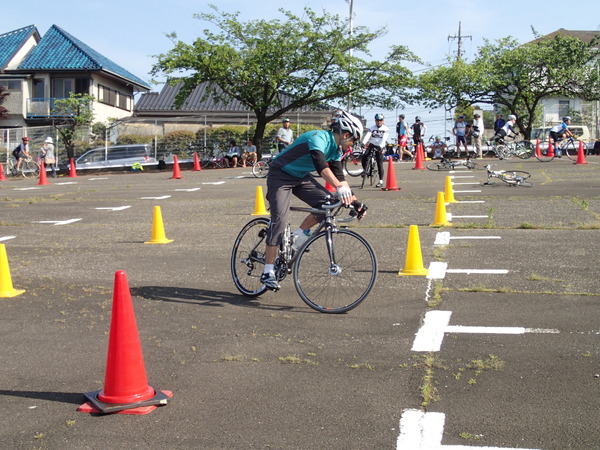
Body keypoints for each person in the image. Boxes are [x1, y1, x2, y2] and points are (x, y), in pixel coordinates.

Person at [261, 110, 367, 290]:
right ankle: (267, 270)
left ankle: (298, 236)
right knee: (280, 220)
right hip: (280, 175)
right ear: (346, 134)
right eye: (353, 140)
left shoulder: (334, 150)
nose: (352, 144)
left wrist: (356, 202)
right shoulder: (318, 137)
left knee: (328, 203)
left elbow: (339, 177)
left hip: (300, 177)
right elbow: (321, 167)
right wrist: (340, 188)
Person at [361, 113, 388, 188]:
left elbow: (384, 138)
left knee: (380, 163)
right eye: (377, 120)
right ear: (375, 121)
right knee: (364, 157)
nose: (379, 122)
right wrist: (363, 143)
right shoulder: (372, 128)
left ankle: (380, 181)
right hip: (372, 144)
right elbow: (367, 136)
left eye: (380, 120)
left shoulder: (385, 129)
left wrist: (381, 146)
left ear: (383, 121)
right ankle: (365, 171)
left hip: (380, 146)